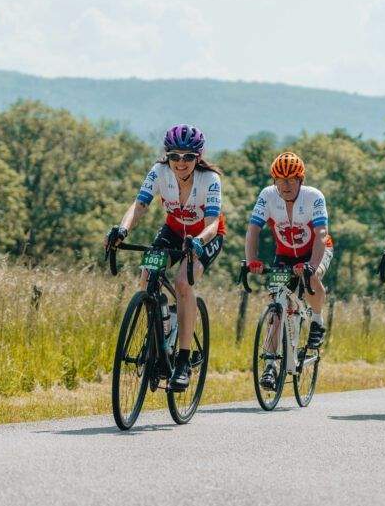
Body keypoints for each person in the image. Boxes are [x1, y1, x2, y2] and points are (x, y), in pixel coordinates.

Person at [105, 124, 225, 391]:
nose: (180, 163)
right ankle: (165, 325)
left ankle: (182, 362)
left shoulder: (210, 179)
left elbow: (213, 222)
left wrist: (198, 242)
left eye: (188, 157)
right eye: (174, 156)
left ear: (198, 157)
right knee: (147, 274)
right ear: (167, 156)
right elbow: (140, 204)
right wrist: (122, 229)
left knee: (183, 282)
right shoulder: (159, 172)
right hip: (173, 230)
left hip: (205, 235)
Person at [245, 152, 334, 390]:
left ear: (300, 180)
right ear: (274, 181)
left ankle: (316, 321)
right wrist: (251, 260)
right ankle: (271, 367)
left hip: (316, 249)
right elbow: (254, 229)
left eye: (291, 179)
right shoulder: (267, 196)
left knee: (311, 277)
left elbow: (321, 234)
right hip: (285, 254)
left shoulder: (313, 197)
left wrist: (311, 266)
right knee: (277, 309)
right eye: (280, 180)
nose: (285, 185)